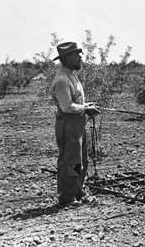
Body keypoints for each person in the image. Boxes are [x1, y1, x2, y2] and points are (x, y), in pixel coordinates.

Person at [50, 41, 100, 207]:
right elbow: (66, 106)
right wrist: (85, 109)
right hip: (69, 124)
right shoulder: (62, 80)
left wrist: (86, 105)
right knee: (72, 161)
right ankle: (68, 196)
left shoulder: (72, 75)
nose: (80, 57)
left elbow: (74, 102)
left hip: (77, 123)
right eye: (77, 55)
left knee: (81, 160)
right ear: (67, 58)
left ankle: (78, 190)